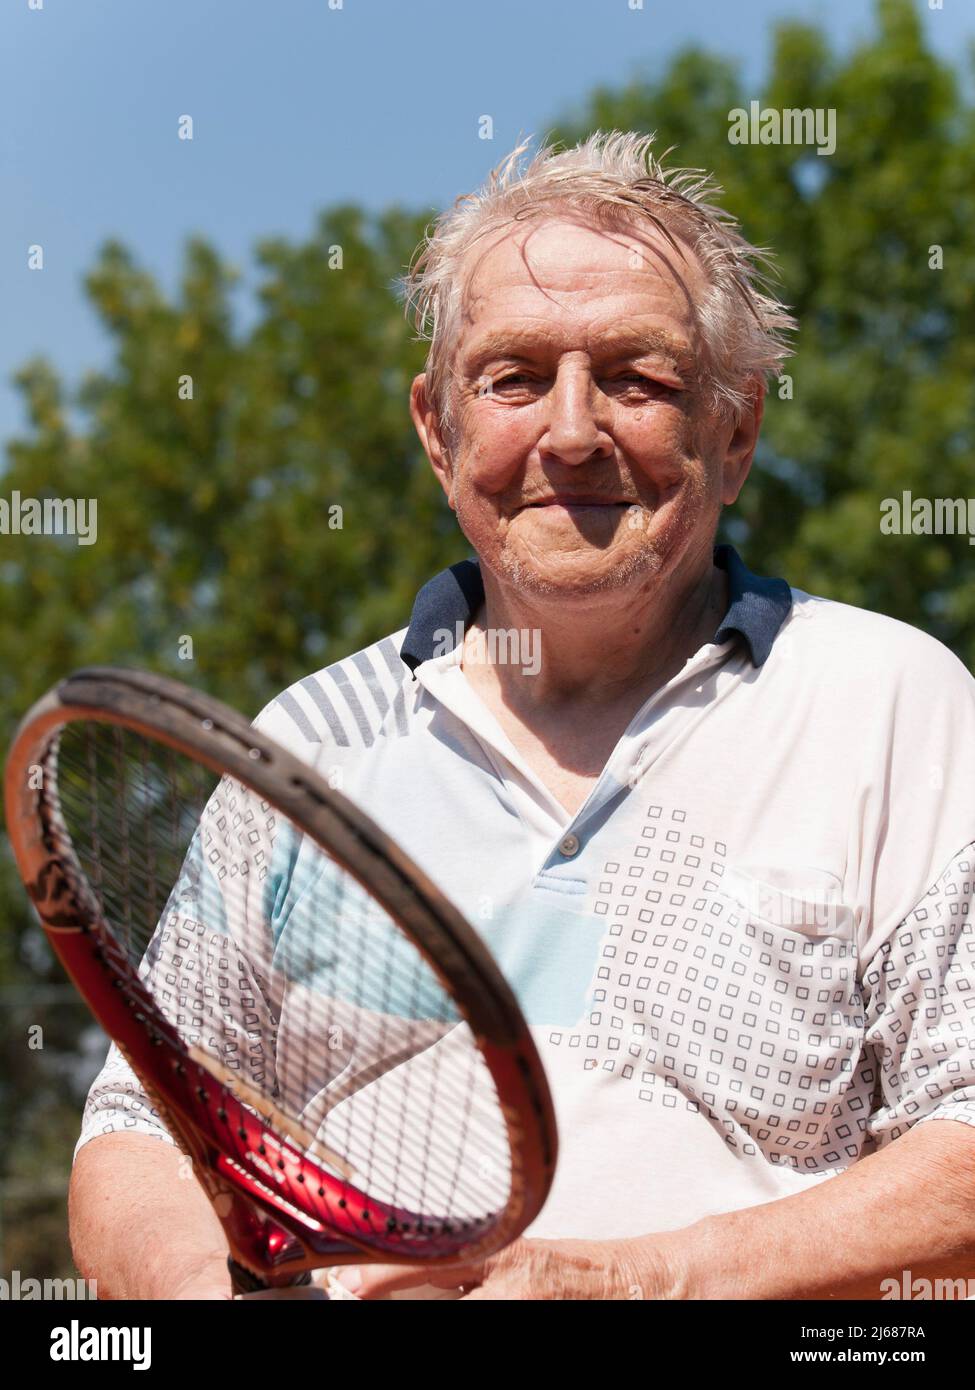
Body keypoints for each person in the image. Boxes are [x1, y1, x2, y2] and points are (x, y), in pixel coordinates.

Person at [69, 131, 975, 1300]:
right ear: (437, 432)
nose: (571, 432)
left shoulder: (893, 703)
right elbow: (138, 1127)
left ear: (736, 431)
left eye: (637, 378)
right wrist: (200, 1291)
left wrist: (646, 1281)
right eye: (513, 377)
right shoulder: (308, 742)